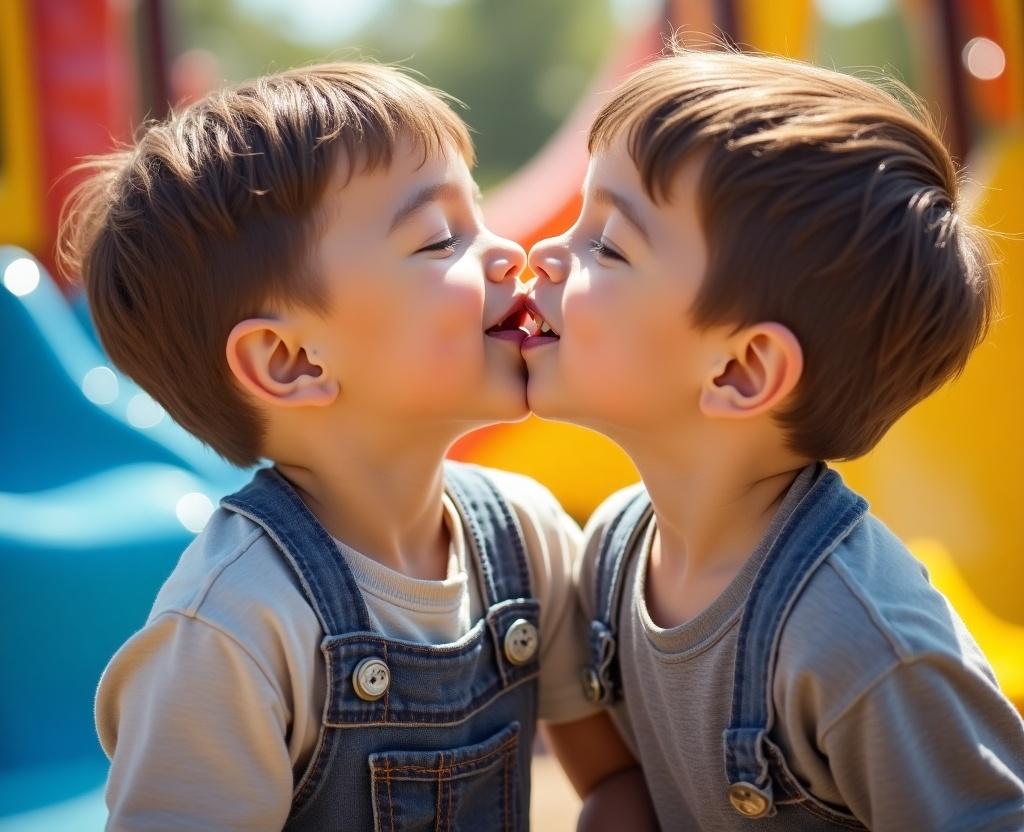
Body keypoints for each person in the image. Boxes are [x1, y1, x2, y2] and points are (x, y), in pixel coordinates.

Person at [60, 63, 638, 830]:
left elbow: (616, 782)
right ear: (291, 361)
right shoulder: (233, 629)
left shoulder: (524, 539)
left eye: (481, 214)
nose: (508, 252)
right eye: (439, 239)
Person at [523, 48, 1024, 829]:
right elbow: (622, 787)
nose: (549, 253)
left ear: (742, 371)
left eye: (609, 245)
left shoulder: (859, 640)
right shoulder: (612, 555)